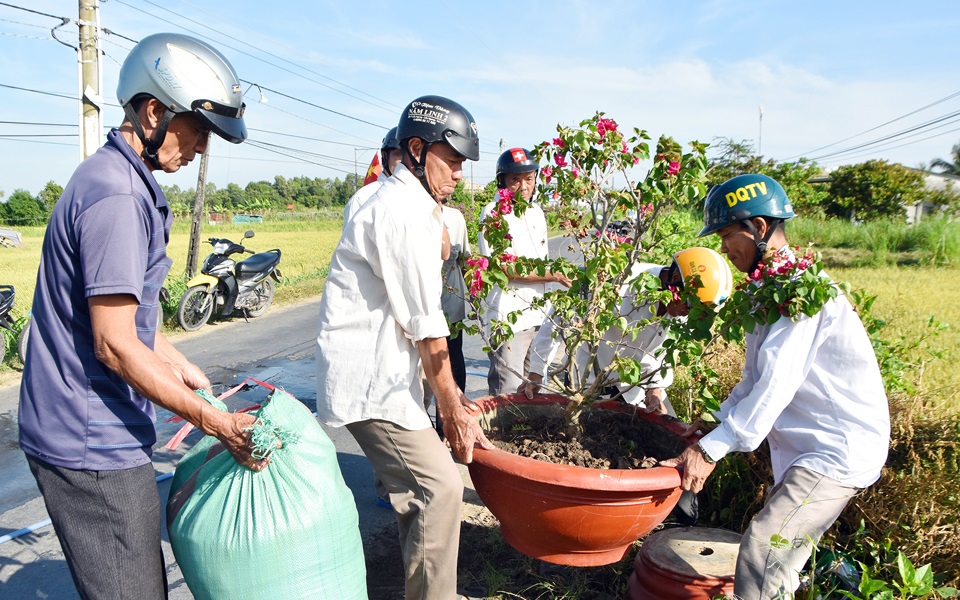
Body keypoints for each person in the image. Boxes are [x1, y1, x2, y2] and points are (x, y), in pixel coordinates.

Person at [18, 33, 263, 600]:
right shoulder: (117, 197)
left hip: (98, 434)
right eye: (199, 129)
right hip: (89, 443)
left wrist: (189, 374)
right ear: (154, 111)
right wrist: (216, 424)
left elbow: (137, 327)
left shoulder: (124, 181)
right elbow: (115, 346)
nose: (203, 146)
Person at [660, 174, 891, 599]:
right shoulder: (770, 288)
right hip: (811, 445)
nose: (725, 250)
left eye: (729, 235)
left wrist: (711, 449)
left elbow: (777, 384)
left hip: (835, 449)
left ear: (760, 229)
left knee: (765, 548)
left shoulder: (799, 293)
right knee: (782, 556)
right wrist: (715, 425)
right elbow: (754, 378)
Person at [316, 94, 493, 600]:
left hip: (384, 376)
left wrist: (448, 397)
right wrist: (452, 405)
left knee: (418, 497)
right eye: (453, 160)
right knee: (440, 489)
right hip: (373, 383)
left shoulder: (408, 204)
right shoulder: (399, 212)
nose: (460, 173)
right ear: (416, 149)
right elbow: (425, 322)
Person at [519, 247, 733, 416]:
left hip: (633, 391)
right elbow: (558, 317)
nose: (688, 312)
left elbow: (660, 353)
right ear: (675, 279)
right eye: (689, 304)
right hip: (588, 382)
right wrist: (537, 371)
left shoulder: (683, 311)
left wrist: (655, 390)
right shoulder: (621, 284)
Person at [478, 147, 572, 396]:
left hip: (539, 316)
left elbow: (540, 258)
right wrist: (554, 275)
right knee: (508, 391)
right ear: (502, 182)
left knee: (533, 388)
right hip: (509, 319)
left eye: (529, 179)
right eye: (515, 180)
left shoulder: (536, 212)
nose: (523, 186)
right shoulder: (493, 213)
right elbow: (506, 268)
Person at [343, 126, 402, 222]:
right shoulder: (362, 199)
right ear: (384, 155)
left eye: (412, 155)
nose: (405, 162)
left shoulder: (421, 196)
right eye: (399, 153)